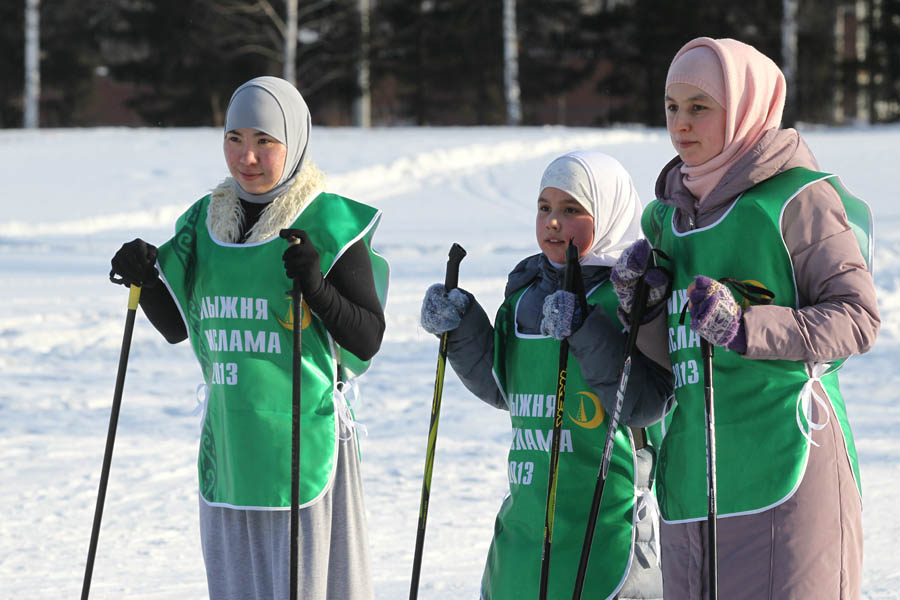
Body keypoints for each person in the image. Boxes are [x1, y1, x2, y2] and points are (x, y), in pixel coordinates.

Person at [612, 37, 880, 599]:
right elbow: (673, 357)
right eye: (671, 107)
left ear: (744, 108)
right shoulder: (666, 220)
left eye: (699, 107)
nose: (680, 124)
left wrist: (746, 327)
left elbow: (857, 319)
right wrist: (643, 308)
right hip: (691, 479)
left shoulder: (796, 199)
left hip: (785, 469)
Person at [109, 76, 388, 600]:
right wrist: (146, 281)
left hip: (303, 443)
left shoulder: (328, 223)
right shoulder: (205, 223)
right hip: (231, 446)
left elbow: (367, 337)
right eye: (234, 138)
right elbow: (178, 327)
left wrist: (316, 287)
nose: (247, 157)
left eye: (264, 140)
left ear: (295, 140)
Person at [420, 150, 673, 600]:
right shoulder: (524, 295)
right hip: (527, 522)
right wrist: (461, 325)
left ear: (610, 212)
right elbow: (505, 387)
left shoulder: (635, 297)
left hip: (604, 525)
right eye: (544, 208)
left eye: (572, 210)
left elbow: (642, 404)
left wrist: (584, 326)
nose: (553, 222)